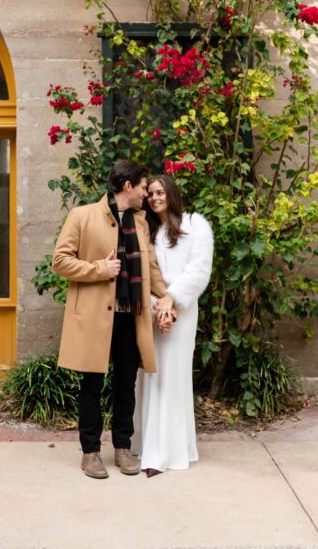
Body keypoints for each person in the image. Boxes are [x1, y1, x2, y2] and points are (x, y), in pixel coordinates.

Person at [51, 159, 175, 479]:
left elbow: (150, 267)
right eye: (143, 187)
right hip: (94, 317)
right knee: (91, 385)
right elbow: (60, 261)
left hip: (130, 314)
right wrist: (99, 269)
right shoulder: (82, 216)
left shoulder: (140, 222)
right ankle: (90, 452)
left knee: (125, 384)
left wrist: (166, 297)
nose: (146, 193)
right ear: (128, 186)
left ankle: (122, 447)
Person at [133, 174, 214, 476]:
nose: (154, 198)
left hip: (182, 311)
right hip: (155, 312)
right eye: (150, 194)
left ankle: (166, 453)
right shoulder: (148, 231)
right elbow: (145, 273)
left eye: (160, 192)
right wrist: (158, 305)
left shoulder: (196, 225)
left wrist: (172, 301)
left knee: (173, 377)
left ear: (171, 193)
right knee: (150, 376)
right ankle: (148, 445)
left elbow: (199, 270)